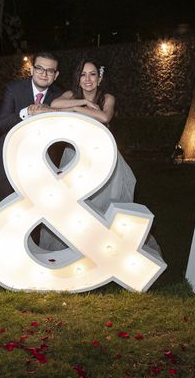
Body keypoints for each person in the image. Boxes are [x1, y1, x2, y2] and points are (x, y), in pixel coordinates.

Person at [37, 59, 143, 250]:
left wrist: (73, 108)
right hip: (75, 156)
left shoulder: (107, 98)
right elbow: (54, 103)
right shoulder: (72, 95)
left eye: (92, 74)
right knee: (72, 201)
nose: (88, 79)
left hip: (103, 156)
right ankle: (75, 245)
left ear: (99, 78)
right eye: (83, 74)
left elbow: (104, 117)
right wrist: (82, 103)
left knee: (102, 201)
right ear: (78, 79)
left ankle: (102, 247)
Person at [0, 52, 62, 198]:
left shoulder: (60, 97)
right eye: (39, 68)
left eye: (50, 71)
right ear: (31, 70)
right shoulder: (13, 89)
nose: (44, 74)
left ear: (56, 75)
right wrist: (26, 112)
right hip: (12, 158)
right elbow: (2, 124)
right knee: (10, 208)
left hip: (43, 164)